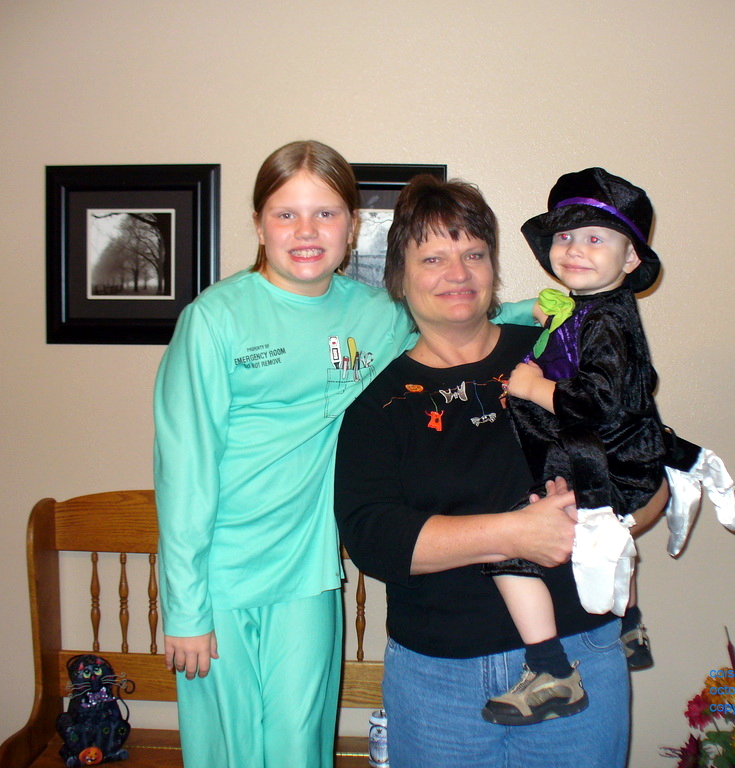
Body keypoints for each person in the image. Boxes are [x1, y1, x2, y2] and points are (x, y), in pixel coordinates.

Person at [153, 141, 536, 768]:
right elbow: (184, 473)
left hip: (306, 576)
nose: (307, 232)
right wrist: (185, 607)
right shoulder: (214, 320)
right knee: (225, 753)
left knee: (298, 748)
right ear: (257, 224)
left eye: (326, 214)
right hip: (218, 578)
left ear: (352, 226)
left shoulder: (375, 314)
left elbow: (461, 315)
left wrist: (553, 309)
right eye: (286, 214)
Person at [334, 174, 669, 768]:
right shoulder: (378, 406)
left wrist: (611, 517)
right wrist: (514, 534)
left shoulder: (557, 350)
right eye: (433, 257)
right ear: (400, 277)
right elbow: (374, 541)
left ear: (494, 268)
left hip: (581, 654)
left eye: (474, 254)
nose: (457, 273)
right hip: (439, 682)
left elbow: (645, 466)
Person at [482, 166, 668, 724]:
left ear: (630, 259)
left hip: (606, 467)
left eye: (594, 238)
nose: (574, 249)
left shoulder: (605, 320)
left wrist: (533, 387)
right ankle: (628, 621)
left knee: (509, 547)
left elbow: (599, 402)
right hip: (615, 458)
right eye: (564, 236)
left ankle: (551, 670)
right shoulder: (591, 310)